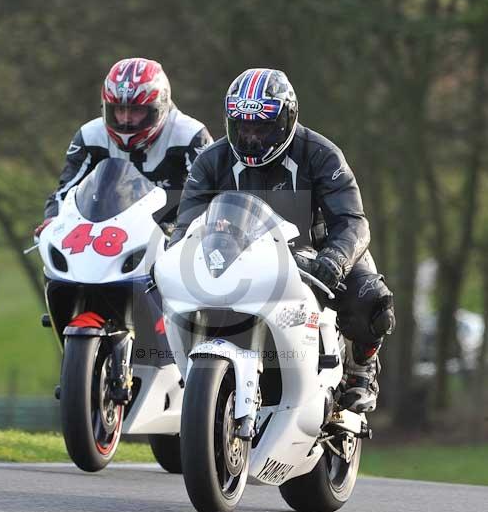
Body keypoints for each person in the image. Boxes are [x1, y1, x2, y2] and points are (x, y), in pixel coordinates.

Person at [169, 68, 395, 413]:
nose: (251, 137)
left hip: (318, 252)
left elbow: (353, 222)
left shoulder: (322, 155)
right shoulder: (211, 160)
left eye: (261, 127)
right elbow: (186, 224)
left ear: (286, 121)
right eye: (243, 126)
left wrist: (334, 259)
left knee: (372, 299)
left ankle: (361, 368)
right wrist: (174, 261)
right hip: (241, 256)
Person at [35, 57, 213, 234]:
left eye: (136, 110)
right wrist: (53, 221)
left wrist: (189, 230)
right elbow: (65, 192)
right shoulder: (90, 136)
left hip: (173, 239)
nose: (126, 119)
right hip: (108, 239)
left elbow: (212, 194)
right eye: (119, 110)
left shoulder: (191, 135)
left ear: (159, 107)